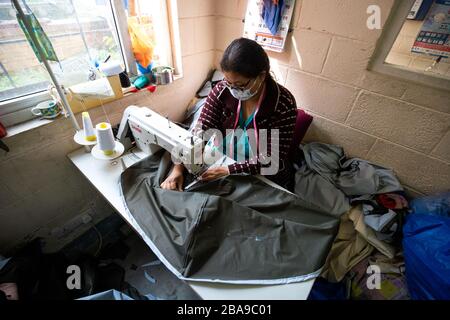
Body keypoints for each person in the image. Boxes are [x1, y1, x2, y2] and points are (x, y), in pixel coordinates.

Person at [161, 37, 297, 191]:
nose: (233, 89)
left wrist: (230, 170)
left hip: (260, 169)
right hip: (222, 157)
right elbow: (200, 130)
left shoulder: (283, 104)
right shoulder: (221, 91)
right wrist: (178, 169)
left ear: (261, 76)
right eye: (228, 82)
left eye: (240, 85)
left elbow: (272, 158)